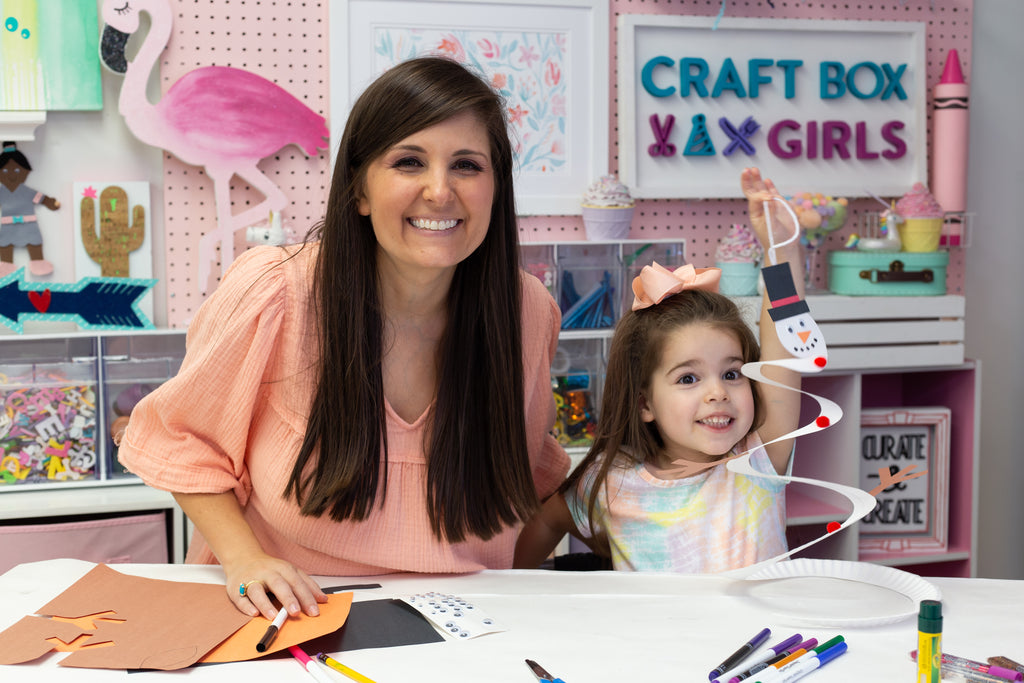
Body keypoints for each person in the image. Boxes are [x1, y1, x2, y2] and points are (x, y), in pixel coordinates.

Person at [117, 56, 569, 620]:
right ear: (358, 189)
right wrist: (244, 559)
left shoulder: (527, 312)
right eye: (409, 161)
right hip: (287, 617)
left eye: (467, 166)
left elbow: (530, 482)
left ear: (496, 188)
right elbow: (182, 441)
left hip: (465, 624)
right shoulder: (274, 291)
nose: (439, 190)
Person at [514, 167, 804, 573]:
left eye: (732, 373)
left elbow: (786, 350)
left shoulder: (758, 458)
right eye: (688, 378)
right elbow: (546, 521)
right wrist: (521, 592)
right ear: (644, 402)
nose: (717, 392)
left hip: (759, 639)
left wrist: (781, 252)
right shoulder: (609, 483)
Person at [0, 141, 60, 277]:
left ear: (25, 171)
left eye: (16, 170)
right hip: (8, 227)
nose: (11, 175)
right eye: (4, 171)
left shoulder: (27, 192)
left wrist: (50, 202)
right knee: (5, 245)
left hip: (28, 226)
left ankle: (38, 262)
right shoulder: (2, 192)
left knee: (34, 243)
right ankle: (5, 266)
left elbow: (41, 198)